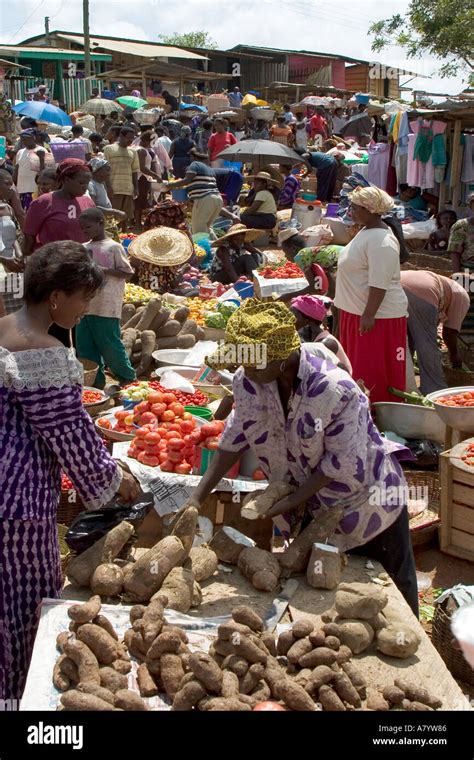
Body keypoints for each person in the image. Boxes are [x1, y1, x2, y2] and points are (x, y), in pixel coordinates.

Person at [190, 300, 419, 614]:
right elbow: (235, 436)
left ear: (282, 360)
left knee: (388, 596)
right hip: (310, 504)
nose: (245, 373)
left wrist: (289, 501)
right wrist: (197, 496)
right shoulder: (250, 380)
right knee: (325, 596)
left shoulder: (336, 392)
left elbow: (337, 464)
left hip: (365, 501)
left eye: (254, 365)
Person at [0, 241, 140, 702]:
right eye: (83, 299)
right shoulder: (47, 355)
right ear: (57, 296)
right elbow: (74, 440)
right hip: (17, 507)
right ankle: (17, 696)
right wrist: (113, 479)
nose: (86, 309)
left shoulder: (2, 329)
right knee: (23, 610)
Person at [334, 186, 408, 404]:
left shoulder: (381, 241)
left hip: (375, 316)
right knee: (355, 366)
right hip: (356, 311)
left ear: (369, 210)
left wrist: (369, 315)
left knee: (371, 369)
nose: (350, 211)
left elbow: (379, 282)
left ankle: (376, 412)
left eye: (355, 207)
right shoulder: (366, 232)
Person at [76, 209, 136, 388]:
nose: (84, 231)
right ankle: (96, 382)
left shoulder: (114, 247)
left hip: (106, 305)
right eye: (82, 228)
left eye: (88, 227)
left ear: (101, 223)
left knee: (110, 345)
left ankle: (128, 377)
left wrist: (103, 270)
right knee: (85, 346)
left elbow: (128, 273)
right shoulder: (83, 247)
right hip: (85, 305)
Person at [401, 270, 470, 393]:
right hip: (421, 292)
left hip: (395, 285)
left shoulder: (444, 283)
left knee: (405, 344)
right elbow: (449, 332)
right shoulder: (461, 293)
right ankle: (434, 389)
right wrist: (454, 355)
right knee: (427, 345)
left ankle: (403, 385)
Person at [23, 159, 94, 257]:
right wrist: (27, 257)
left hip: (80, 260)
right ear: (66, 180)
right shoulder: (44, 202)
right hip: (51, 261)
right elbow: (29, 234)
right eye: (81, 183)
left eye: (87, 183)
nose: (85, 187)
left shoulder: (87, 201)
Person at [289, 294, 352, 373]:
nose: (288, 319)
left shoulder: (325, 343)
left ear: (307, 320)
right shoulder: (307, 336)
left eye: (292, 316)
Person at [164, 160, 224, 236]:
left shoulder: (194, 165)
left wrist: (168, 186)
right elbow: (197, 193)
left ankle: (201, 247)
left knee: (198, 231)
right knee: (206, 228)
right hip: (217, 198)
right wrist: (189, 202)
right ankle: (215, 245)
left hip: (206, 199)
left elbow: (186, 181)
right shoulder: (204, 175)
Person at [128, 226, 193, 294]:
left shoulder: (142, 260)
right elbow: (174, 284)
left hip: (145, 292)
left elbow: (135, 277)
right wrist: (183, 270)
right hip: (162, 294)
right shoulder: (168, 265)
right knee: (195, 292)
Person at [103, 126, 139, 229]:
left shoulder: (133, 152)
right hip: (114, 188)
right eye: (128, 137)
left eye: (132, 138)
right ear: (121, 136)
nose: (131, 140)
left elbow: (134, 171)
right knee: (114, 216)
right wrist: (108, 187)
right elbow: (105, 170)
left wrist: (136, 188)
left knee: (126, 216)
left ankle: (124, 236)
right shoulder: (109, 149)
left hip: (128, 188)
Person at [134, 130, 161, 229]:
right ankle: (137, 223)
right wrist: (156, 176)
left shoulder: (141, 149)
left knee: (141, 200)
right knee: (139, 201)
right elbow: (142, 168)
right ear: (146, 141)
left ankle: (139, 222)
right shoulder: (141, 151)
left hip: (143, 178)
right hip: (141, 178)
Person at [13, 130, 46, 210]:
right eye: (22, 139)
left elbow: (45, 171)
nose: (24, 141)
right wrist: (13, 184)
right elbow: (17, 169)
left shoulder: (41, 150)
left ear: (34, 138)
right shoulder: (20, 152)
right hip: (21, 189)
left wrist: (41, 158)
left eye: (27, 138)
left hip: (33, 189)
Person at [0, 201, 23, 315]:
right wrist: (4, 260)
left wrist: (19, 254)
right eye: (7, 184)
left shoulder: (7, 207)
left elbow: (12, 236)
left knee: (17, 313)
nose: (11, 188)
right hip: (3, 266)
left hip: (12, 267)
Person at [87, 157, 126, 223]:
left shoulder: (100, 184)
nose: (109, 173)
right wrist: (114, 212)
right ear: (97, 172)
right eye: (107, 170)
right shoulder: (91, 185)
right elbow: (92, 206)